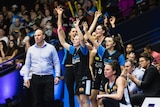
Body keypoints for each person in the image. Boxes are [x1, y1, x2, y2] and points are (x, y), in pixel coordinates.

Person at [57, 6, 91, 107]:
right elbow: (62, 41)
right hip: (75, 74)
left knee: (84, 100)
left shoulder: (83, 49)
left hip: (84, 76)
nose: (75, 39)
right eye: (74, 37)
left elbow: (82, 40)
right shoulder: (72, 49)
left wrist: (77, 27)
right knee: (79, 101)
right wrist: (59, 15)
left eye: (77, 38)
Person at [23, 28, 61, 107]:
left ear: (43, 36)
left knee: (49, 100)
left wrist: (57, 75)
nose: (36, 37)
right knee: (37, 101)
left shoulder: (51, 48)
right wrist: (26, 78)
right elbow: (27, 65)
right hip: (36, 77)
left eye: (39, 35)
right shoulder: (31, 49)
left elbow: (56, 62)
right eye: (35, 36)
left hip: (48, 76)